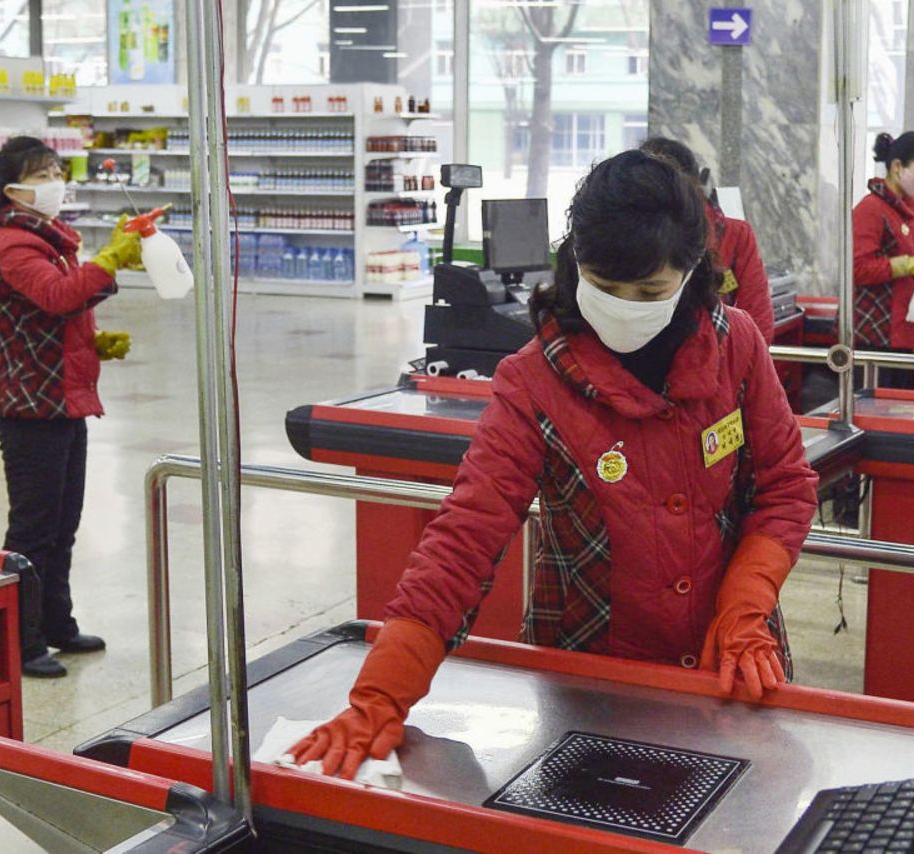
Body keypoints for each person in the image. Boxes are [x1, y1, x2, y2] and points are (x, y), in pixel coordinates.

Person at [289, 150, 819, 778]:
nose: (625, 307)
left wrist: (746, 604)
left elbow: (786, 486)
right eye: (604, 286)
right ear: (573, 266)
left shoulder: (737, 348)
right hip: (591, 681)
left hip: (731, 660)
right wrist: (380, 694)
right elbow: (464, 542)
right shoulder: (533, 382)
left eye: (649, 292)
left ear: (691, 272)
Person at [0, 136, 143, 678]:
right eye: (43, 173)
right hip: (30, 408)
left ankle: (57, 624)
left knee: (64, 523)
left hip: (62, 399)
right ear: (13, 190)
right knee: (33, 528)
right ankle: (22, 642)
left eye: (56, 170)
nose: (55, 181)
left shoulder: (48, 238)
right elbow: (57, 296)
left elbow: (47, 319)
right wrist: (112, 257)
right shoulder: (13, 246)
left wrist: (93, 345)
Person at [639, 136, 776, 343]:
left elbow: (758, 319)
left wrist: (731, 363)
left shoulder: (735, 234)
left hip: (715, 357)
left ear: (694, 187)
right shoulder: (626, 234)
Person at [852, 131, 914, 386]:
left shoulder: (907, 213)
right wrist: (905, 264)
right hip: (874, 336)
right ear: (896, 167)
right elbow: (858, 268)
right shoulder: (870, 209)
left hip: (903, 331)